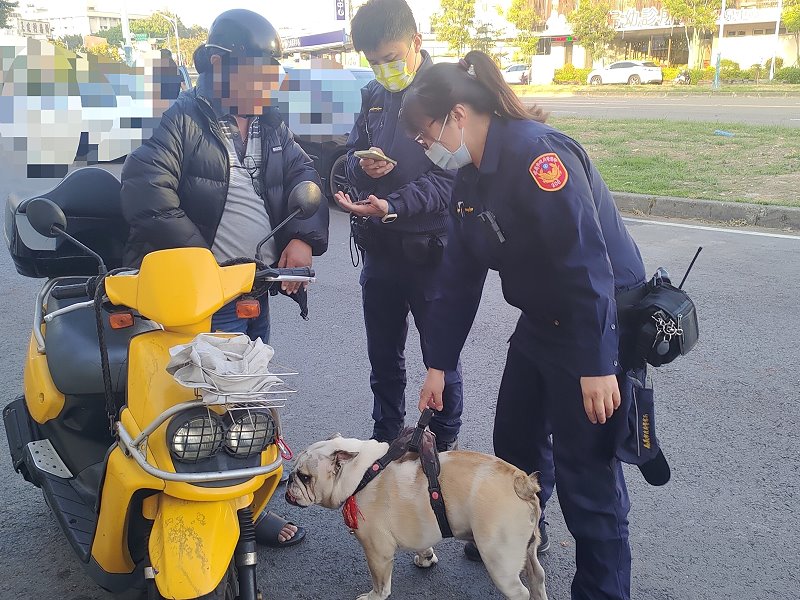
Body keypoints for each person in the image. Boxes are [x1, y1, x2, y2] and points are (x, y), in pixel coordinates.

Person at [403, 50, 658, 600]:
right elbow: (458, 275)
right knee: (514, 441)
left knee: (586, 478)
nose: (427, 150)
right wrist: (438, 364)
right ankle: (516, 536)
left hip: (593, 321)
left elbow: (584, 262)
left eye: (426, 137)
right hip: (543, 318)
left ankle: (603, 592)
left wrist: (596, 364)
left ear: (457, 116)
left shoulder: (536, 156)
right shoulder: (470, 178)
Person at [120, 9, 329, 549]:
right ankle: (189, 505)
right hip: (200, 297)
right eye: (260, 73)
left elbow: (306, 177)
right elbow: (145, 190)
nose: (269, 85)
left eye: (273, 74)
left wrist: (301, 235)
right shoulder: (183, 120)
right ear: (220, 64)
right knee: (199, 411)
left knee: (250, 405)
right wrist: (200, 267)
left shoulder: (271, 124)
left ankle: (248, 506)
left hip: (251, 291)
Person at [333, 0, 462, 452]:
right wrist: (358, 166)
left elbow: (451, 179)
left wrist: (392, 204)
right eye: (374, 62)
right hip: (380, 252)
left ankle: (442, 448)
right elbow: (349, 152)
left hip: (431, 253)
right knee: (383, 359)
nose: (385, 69)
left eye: (391, 57)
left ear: (416, 41)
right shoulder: (373, 95)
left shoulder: (445, 93)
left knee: (439, 362)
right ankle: (384, 443)